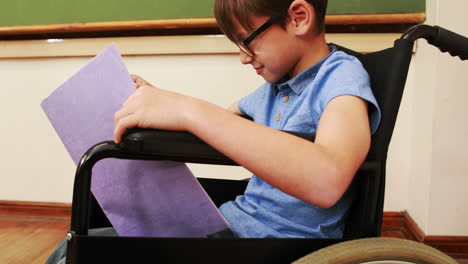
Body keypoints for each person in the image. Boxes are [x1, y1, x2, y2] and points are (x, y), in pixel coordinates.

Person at [47, 0, 380, 262]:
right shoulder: (275, 89)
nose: (243, 58)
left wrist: (188, 110)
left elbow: (328, 178)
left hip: (271, 246)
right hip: (230, 228)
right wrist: (160, 104)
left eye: (247, 41)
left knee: (89, 252)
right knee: (73, 246)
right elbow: (215, 129)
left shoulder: (342, 79)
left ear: (298, 18)